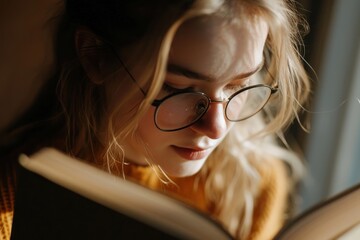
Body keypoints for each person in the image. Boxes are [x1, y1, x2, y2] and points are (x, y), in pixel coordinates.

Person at [0, 0, 311, 239]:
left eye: (238, 85)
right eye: (177, 88)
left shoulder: (250, 186)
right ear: (96, 57)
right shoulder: (15, 196)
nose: (216, 127)